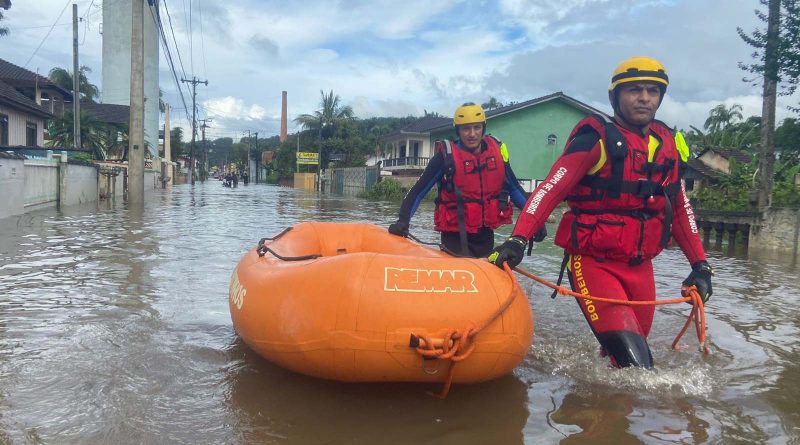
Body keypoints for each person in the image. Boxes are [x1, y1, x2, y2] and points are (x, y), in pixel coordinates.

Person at [488, 56, 713, 368]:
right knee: (638, 368)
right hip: (593, 263)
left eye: (653, 91)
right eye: (634, 90)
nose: (644, 98)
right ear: (614, 96)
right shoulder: (595, 138)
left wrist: (701, 265)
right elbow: (551, 188)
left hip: (641, 268)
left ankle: (600, 398)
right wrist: (518, 239)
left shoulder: (668, 144)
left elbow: (680, 208)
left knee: (626, 363)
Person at [388, 102, 545, 257]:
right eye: (466, 128)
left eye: (477, 127)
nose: (472, 134)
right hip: (454, 238)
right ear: (458, 130)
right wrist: (403, 221)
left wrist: (535, 220)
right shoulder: (445, 158)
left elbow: (515, 189)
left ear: (483, 128)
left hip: (485, 236)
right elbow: (417, 192)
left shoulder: (496, 153)